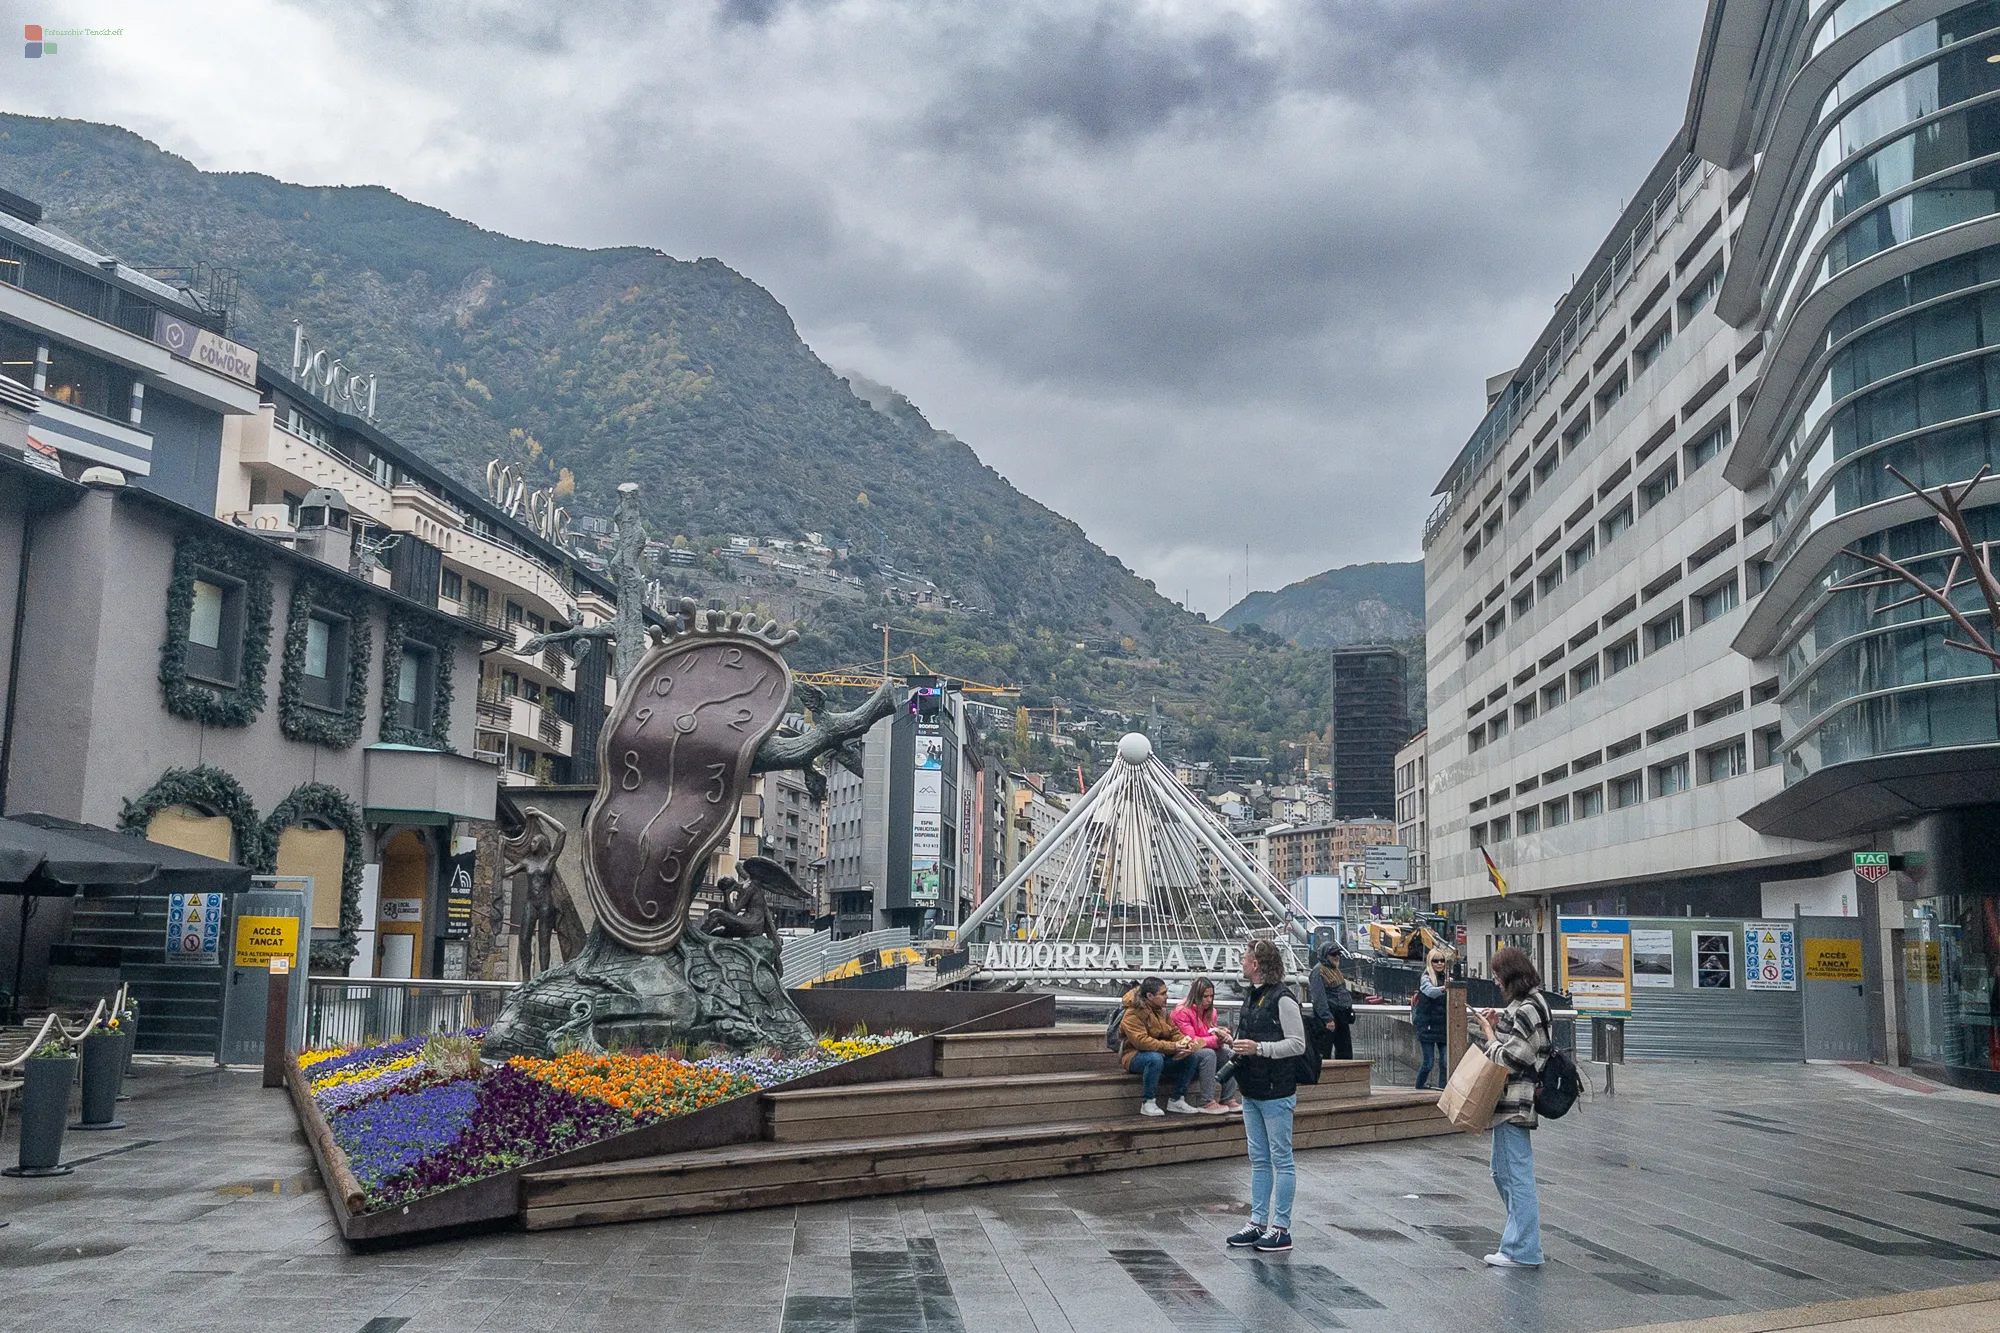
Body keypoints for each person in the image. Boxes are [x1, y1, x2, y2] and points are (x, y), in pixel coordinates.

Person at [1468, 945, 1552, 1269]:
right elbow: (1511, 1042)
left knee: (1515, 1175)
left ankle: (1522, 1248)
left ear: (1510, 974)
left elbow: (1514, 1057)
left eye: (1498, 975)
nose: (1496, 982)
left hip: (1515, 1100)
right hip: (1509, 1101)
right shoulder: (1525, 1004)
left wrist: (1489, 1035)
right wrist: (1495, 1024)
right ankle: (1520, 1241)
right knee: (1503, 1172)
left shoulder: (1529, 1006)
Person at [1225, 938, 1307, 1254]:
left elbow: (1297, 1044)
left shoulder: (1283, 999)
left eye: (1244, 957)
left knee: (1281, 1158)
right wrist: (1233, 1041)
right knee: (1259, 1158)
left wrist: (1260, 1049)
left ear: (1257, 963)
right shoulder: (1252, 996)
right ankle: (1258, 1222)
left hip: (1276, 1089)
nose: (1241, 962)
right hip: (1252, 1087)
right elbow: (1253, 1037)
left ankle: (1281, 1228)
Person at [1119, 976, 1201, 1117]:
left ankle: (1177, 1099)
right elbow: (1142, 1042)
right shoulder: (1132, 1013)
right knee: (1154, 1059)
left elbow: (1174, 1031)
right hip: (1133, 1056)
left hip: (1161, 1053)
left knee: (1191, 1058)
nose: (1166, 997)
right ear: (1150, 996)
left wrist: (1185, 1042)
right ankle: (1148, 1102)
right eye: (1162, 994)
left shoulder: (1161, 1011)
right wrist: (1173, 1046)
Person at [1171, 975, 1240, 1113]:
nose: (1209, 1000)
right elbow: (1191, 1040)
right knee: (1208, 1055)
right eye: (1205, 996)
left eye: (1211, 996)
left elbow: (1207, 1034)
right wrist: (1216, 1040)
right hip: (1186, 1050)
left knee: (1232, 1055)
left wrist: (1221, 1034)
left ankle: (1228, 1098)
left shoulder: (1211, 1012)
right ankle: (1206, 1101)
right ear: (1196, 995)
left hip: (1203, 1046)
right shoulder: (1182, 1011)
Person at [1306, 943, 1355, 1062]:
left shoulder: (1334, 969)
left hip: (1341, 1014)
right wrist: (1327, 1018)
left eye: (1338, 953)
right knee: (1324, 1051)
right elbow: (1318, 997)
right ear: (1325, 955)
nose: (1337, 956)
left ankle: (1344, 1077)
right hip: (1329, 1017)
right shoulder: (1318, 971)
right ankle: (1324, 1078)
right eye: (1333, 954)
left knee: (1345, 1051)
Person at [1411, 947, 1451, 1090]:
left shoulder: (1446, 978)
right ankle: (1419, 1086)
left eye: (1442, 960)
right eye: (1436, 961)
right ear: (1430, 962)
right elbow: (1430, 991)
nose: (1440, 963)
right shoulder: (1426, 978)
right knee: (1428, 1062)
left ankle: (1442, 1088)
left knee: (1445, 1062)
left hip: (1442, 1026)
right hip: (1427, 1026)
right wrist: (1445, 988)